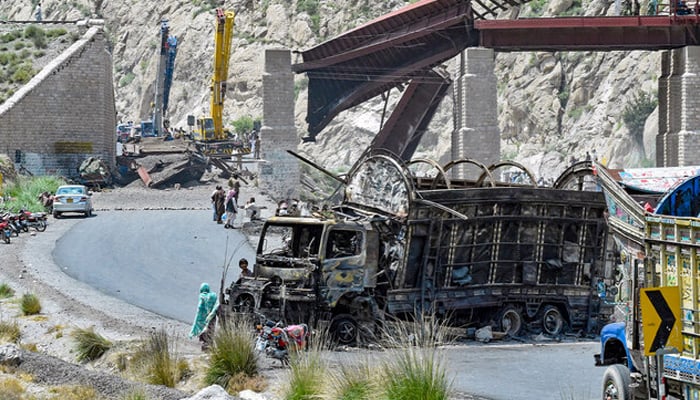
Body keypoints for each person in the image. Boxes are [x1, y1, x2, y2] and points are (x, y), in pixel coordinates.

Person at [189, 282, 219, 351]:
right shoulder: (214, 295)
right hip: (212, 317)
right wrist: (212, 313)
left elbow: (199, 308)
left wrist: (197, 320)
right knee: (211, 330)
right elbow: (217, 304)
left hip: (204, 317)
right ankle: (209, 345)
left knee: (204, 330)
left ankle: (205, 347)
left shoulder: (202, 296)